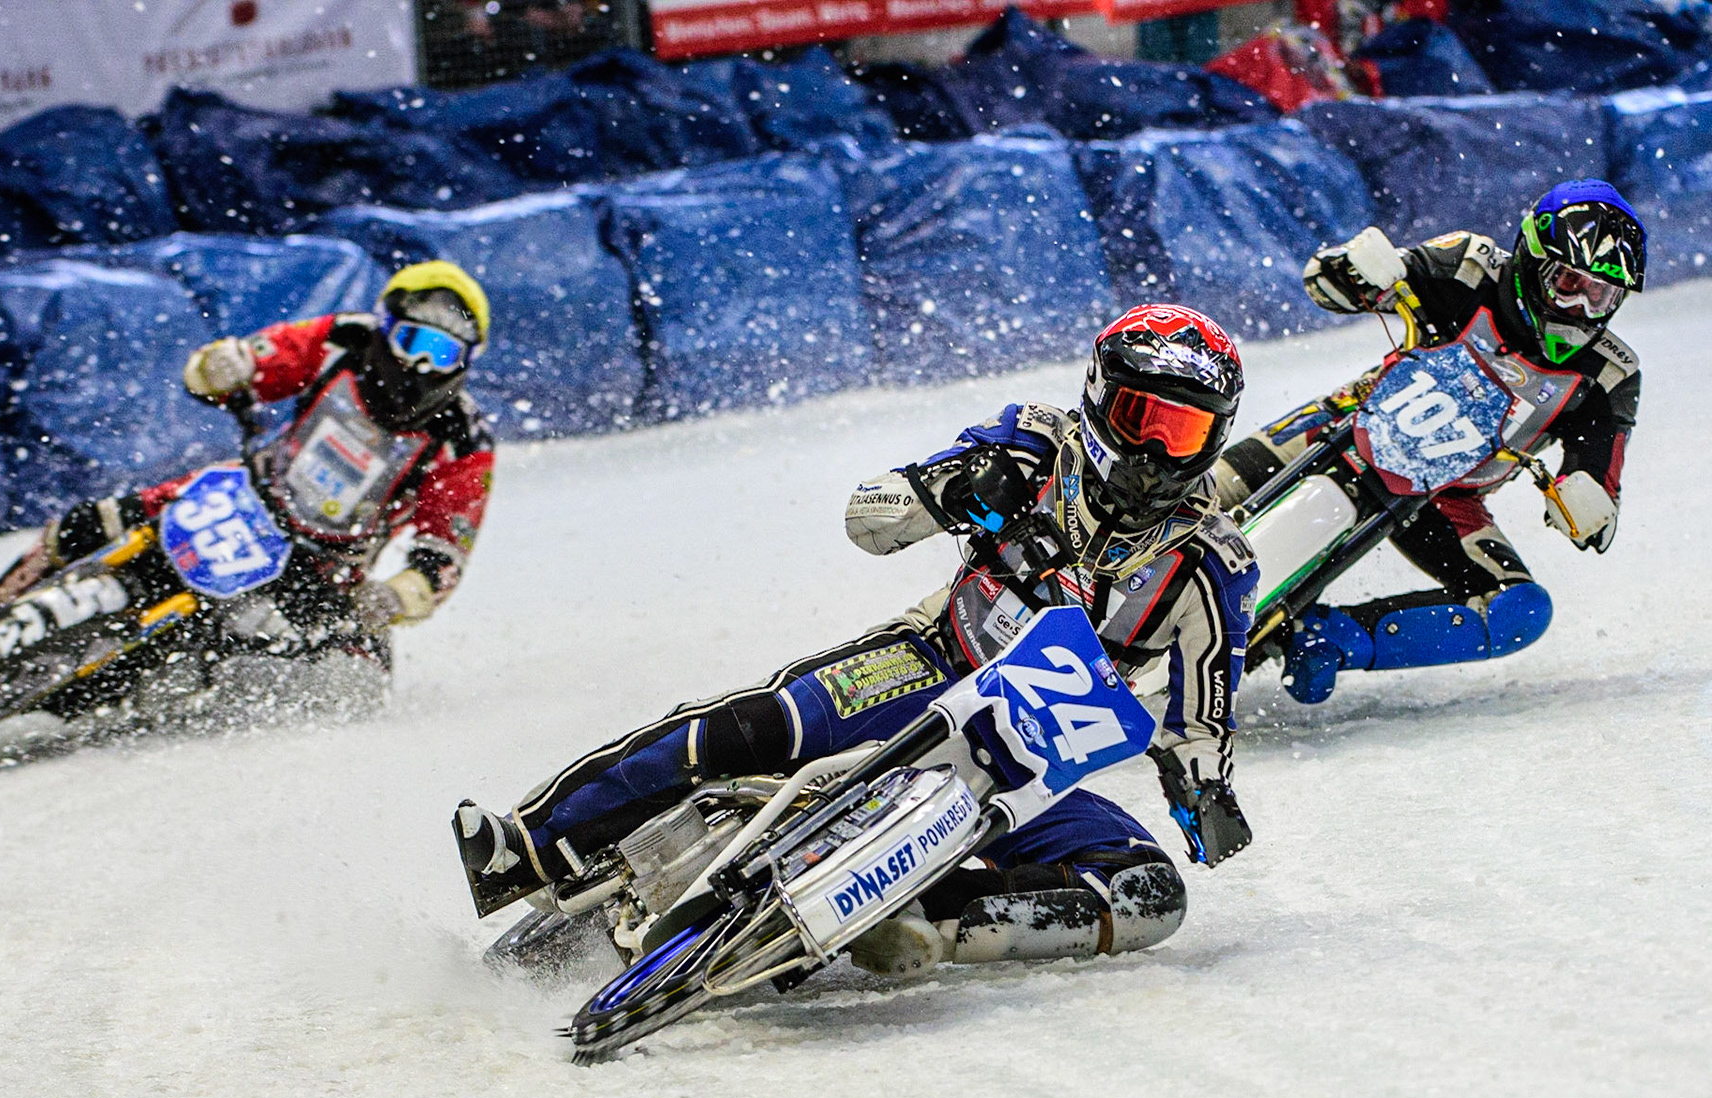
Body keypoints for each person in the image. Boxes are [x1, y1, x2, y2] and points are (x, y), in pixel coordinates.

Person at [455, 304, 1260, 978]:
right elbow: (867, 516)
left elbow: (1203, 715)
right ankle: (531, 844)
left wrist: (1206, 796)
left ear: (1214, 440)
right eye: (1140, 419)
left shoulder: (1210, 565)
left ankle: (924, 918)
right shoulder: (1031, 441)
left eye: (1182, 432)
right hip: (926, 664)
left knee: (1149, 889)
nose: (1154, 452)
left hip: (1029, 765)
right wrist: (952, 491)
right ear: (1097, 399)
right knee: (758, 725)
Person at [0, 262, 496, 660]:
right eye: (413, 343)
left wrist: (397, 596)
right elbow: (258, 360)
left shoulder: (465, 441)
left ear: (466, 363)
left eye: (444, 353)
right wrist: (221, 367)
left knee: (313, 662)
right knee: (92, 521)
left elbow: (445, 550)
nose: (421, 367)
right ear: (385, 327)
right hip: (245, 495)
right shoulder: (343, 338)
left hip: (332, 566)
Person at [1213, 179, 1644, 703]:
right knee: (1206, 486)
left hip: (1444, 496)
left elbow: (1600, 494)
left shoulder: (1610, 375)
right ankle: (1092, 557)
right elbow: (1325, 283)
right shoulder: (1469, 263)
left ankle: (1328, 636)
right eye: (1568, 282)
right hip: (1351, 419)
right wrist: (1356, 269)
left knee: (1519, 611)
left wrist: (1589, 502)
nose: (1579, 306)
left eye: (1600, 293)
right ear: (1532, 259)